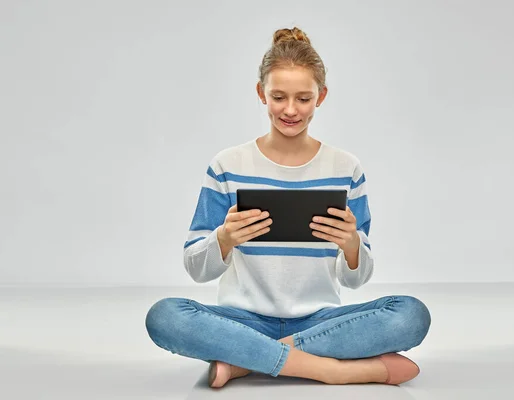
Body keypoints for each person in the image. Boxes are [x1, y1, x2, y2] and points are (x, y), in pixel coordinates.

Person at [145, 26, 431, 388]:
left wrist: (351, 245)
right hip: (242, 320)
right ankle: (329, 369)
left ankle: (246, 360)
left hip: (320, 320)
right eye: (278, 97)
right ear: (261, 93)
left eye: (303, 98)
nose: (290, 110)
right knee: (165, 316)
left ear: (321, 96)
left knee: (410, 315)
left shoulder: (346, 169)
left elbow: (355, 279)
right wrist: (224, 238)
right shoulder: (227, 165)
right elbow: (195, 268)